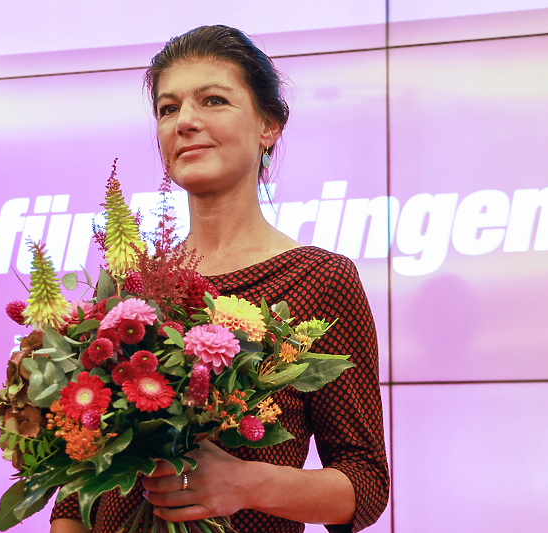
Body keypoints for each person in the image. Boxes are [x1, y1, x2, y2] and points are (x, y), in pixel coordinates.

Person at [51, 25, 389, 533]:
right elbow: (76, 484)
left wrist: (248, 484)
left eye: (212, 100)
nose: (185, 121)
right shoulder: (131, 288)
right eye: (168, 109)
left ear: (268, 126)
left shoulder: (320, 278)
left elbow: (364, 485)